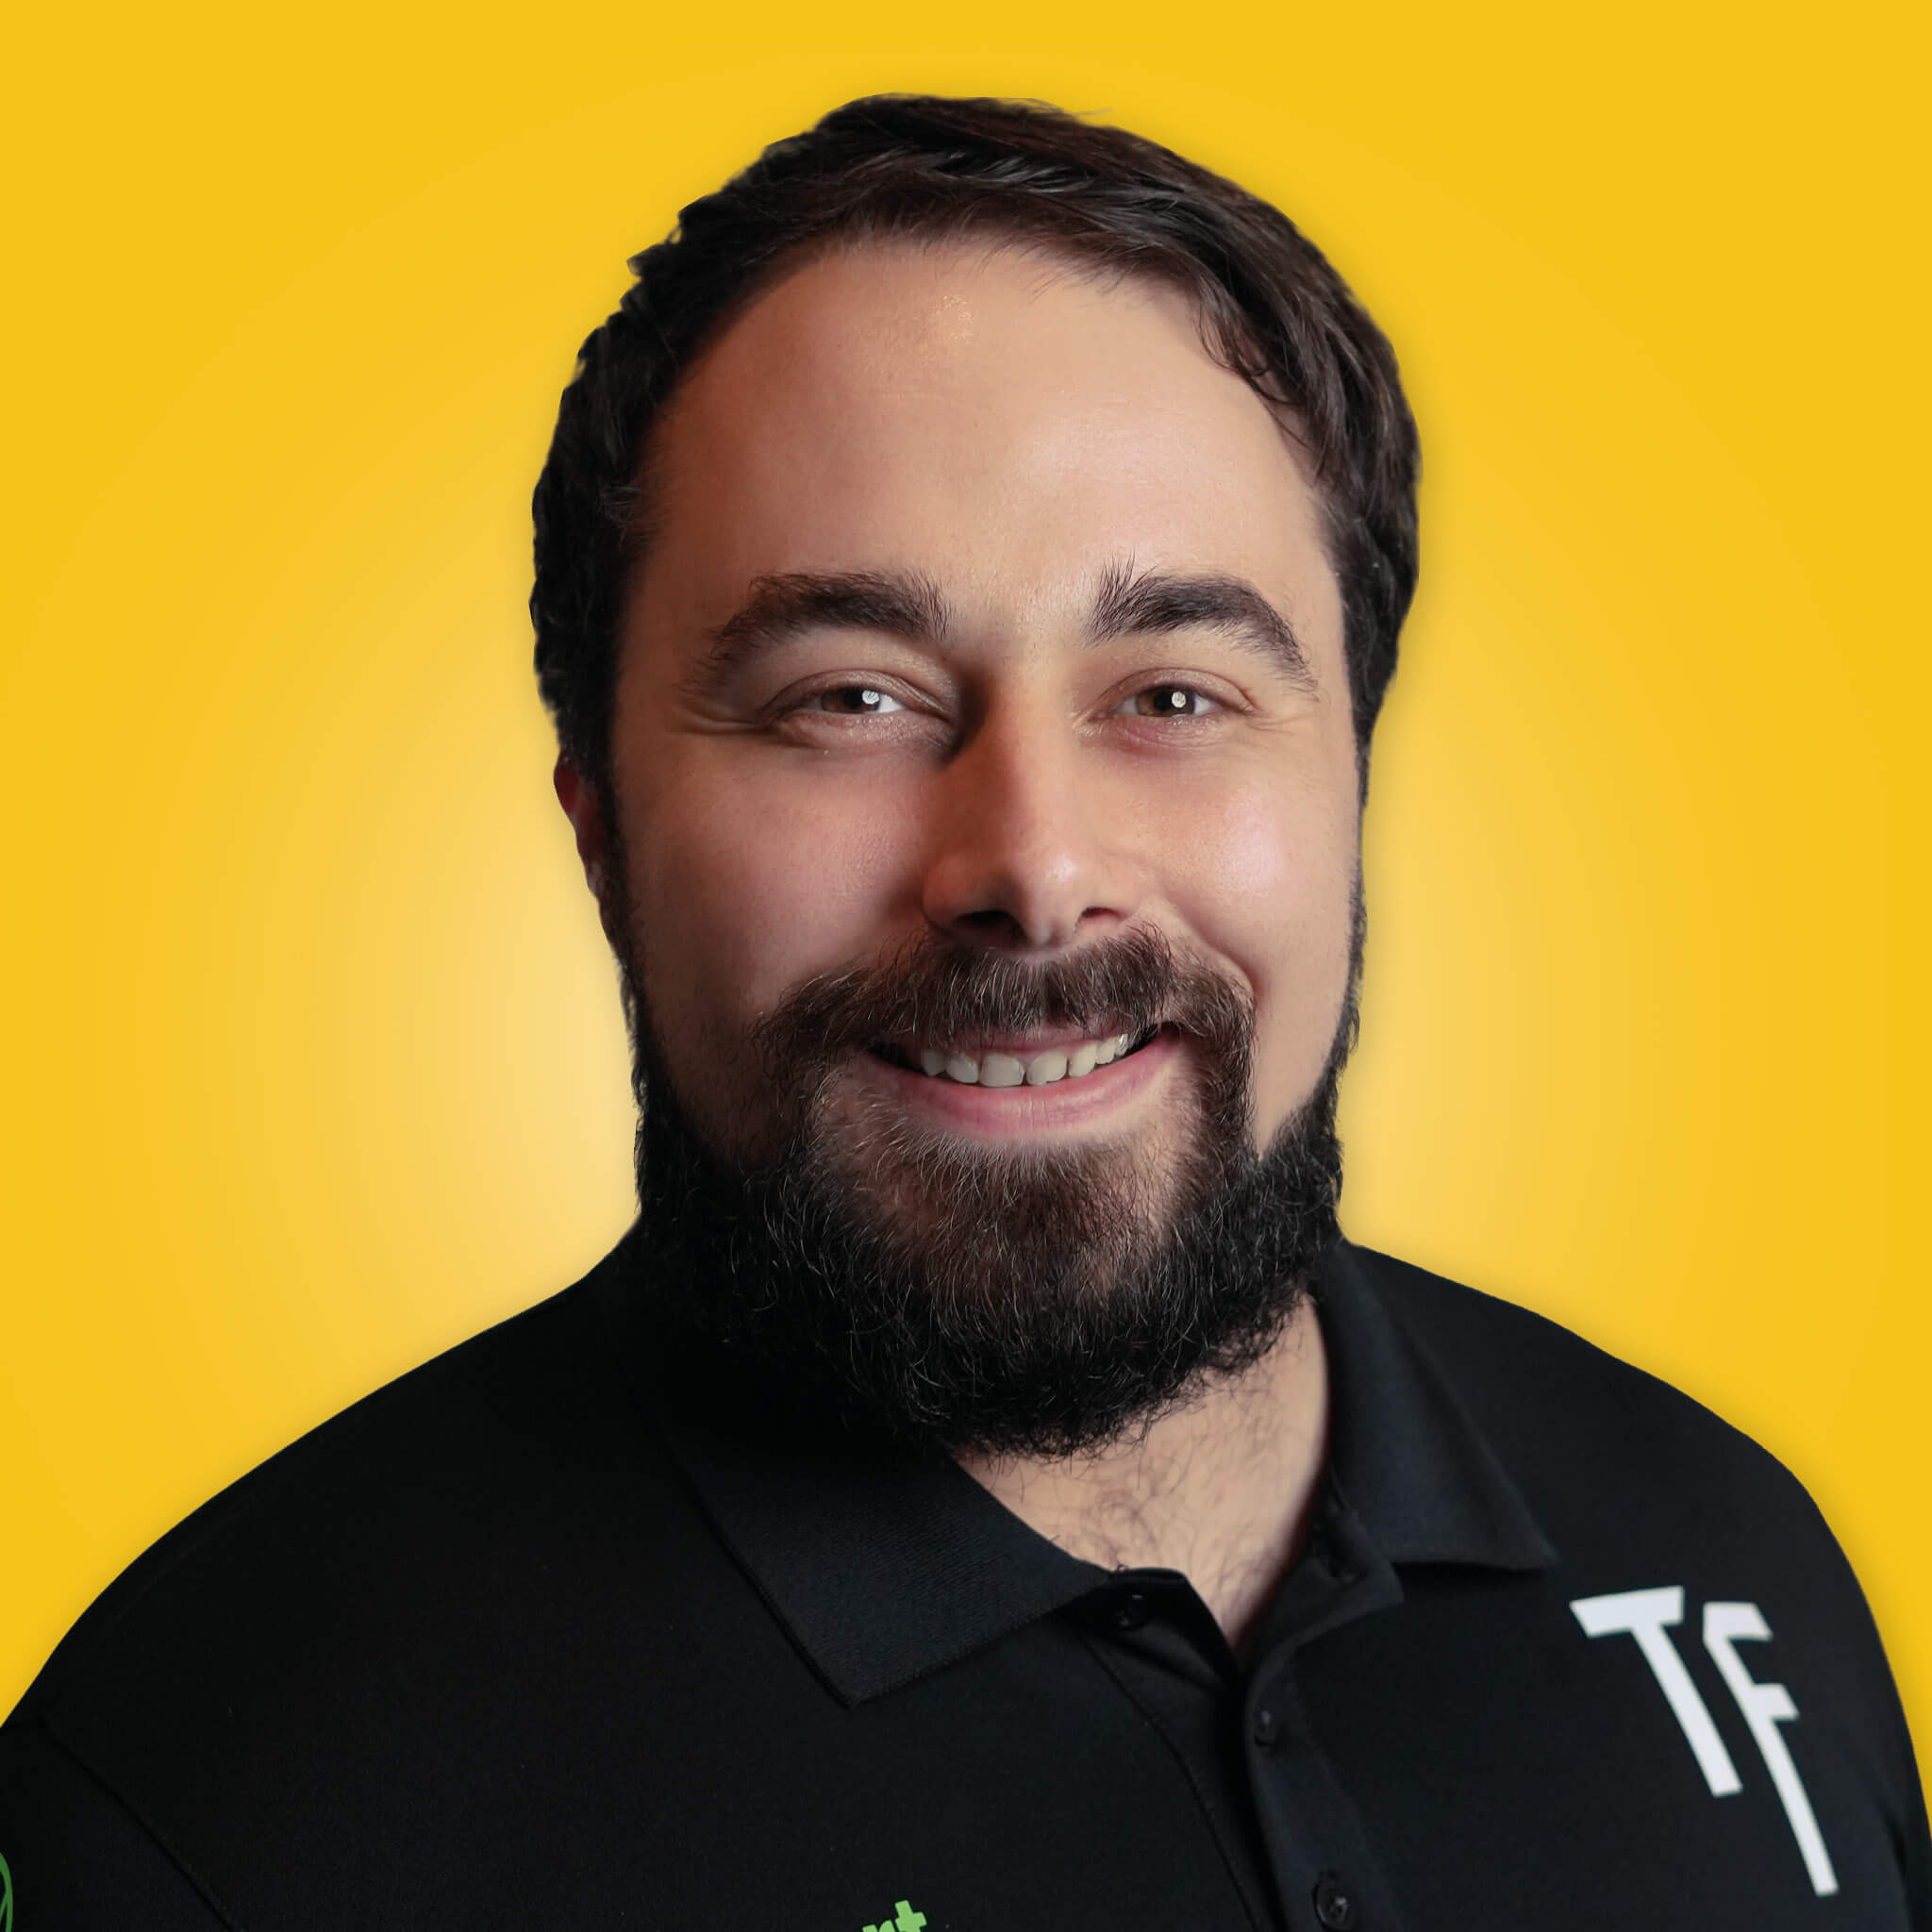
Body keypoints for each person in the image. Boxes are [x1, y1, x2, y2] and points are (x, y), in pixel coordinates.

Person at [0, 93, 1923, 1931]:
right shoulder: (205, 1817)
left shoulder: (1732, 1555)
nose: (1035, 863)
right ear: (600, 826)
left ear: (1350, 770)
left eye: (1173, 692)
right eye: (850, 696)